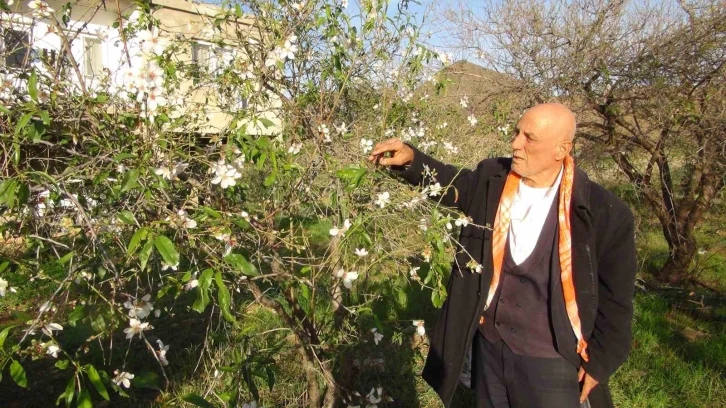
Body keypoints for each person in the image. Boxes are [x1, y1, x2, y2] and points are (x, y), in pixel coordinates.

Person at [368, 103, 637, 408]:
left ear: (562, 148)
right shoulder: (492, 179)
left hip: (554, 361)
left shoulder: (603, 212)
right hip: (490, 348)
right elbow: (452, 184)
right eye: (516, 132)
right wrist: (412, 160)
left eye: (529, 138)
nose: (515, 143)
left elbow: (616, 299)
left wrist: (600, 362)